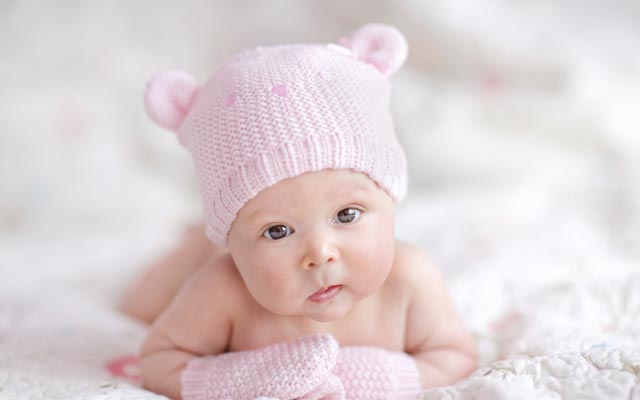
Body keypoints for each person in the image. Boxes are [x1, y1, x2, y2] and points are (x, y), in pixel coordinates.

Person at [121, 23, 478, 400]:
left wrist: (365, 379)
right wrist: (252, 378)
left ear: (390, 202)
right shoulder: (222, 290)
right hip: (203, 262)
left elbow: (454, 356)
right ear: (234, 242)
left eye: (347, 215)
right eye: (277, 231)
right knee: (143, 303)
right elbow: (159, 361)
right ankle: (193, 242)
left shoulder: (409, 279)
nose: (320, 253)